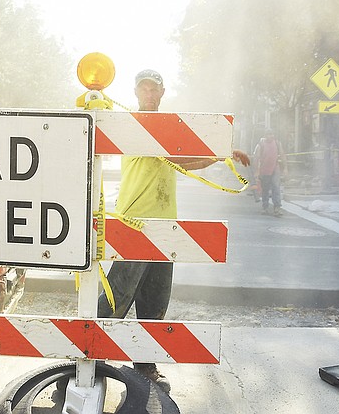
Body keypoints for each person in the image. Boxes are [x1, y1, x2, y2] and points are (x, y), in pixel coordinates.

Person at [97, 69, 249, 393]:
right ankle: (91, 357)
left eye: (154, 90)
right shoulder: (132, 126)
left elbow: (183, 159)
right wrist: (216, 155)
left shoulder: (168, 127)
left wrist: (220, 155)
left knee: (154, 301)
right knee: (118, 295)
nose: (148, 94)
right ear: (136, 92)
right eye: (144, 89)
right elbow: (177, 157)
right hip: (135, 223)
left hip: (166, 225)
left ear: (162, 93)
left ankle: (145, 365)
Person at [253, 128, 287, 216]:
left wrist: (285, 168)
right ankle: (265, 207)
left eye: (272, 134)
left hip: (275, 169)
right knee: (265, 189)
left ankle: (277, 208)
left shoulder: (277, 143)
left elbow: (282, 155)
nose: (271, 136)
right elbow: (256, 158)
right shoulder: (260, 145)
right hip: (264, 170)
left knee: (276, 188)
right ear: (265, 136)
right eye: (269, 135)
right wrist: (256, 171)